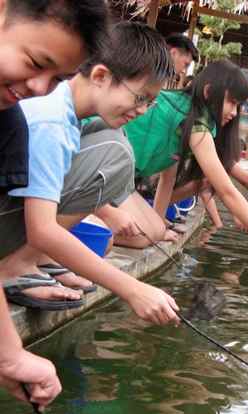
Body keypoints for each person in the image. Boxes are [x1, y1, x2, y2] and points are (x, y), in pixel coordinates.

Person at [0, 22, 182, 327]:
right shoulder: (53, 123)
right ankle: (13, 267)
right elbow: (42, 229)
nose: (144, 111)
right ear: (100, 76)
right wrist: (132, 289)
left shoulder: (70, 113)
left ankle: (34, 259)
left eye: (151, 103)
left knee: (112, 146)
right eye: (141, 98)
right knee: (113, 154)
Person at [0, 0, 109, 410]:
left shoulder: (9, 125)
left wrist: (10, 356)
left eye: (57, 77)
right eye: (34, 62)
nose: (39, 88)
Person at [103, 60, 248, 274]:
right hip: (102, 169)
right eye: (231, 102)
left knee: (153, 232)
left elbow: (168, 179)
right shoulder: (196, 124)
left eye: (239, 105)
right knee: (142, 237)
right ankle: (87, 220)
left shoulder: (186, 111)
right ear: (210, 92)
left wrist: (158, 225)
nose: (234, 112)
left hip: (119, 181)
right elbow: (227, 191)